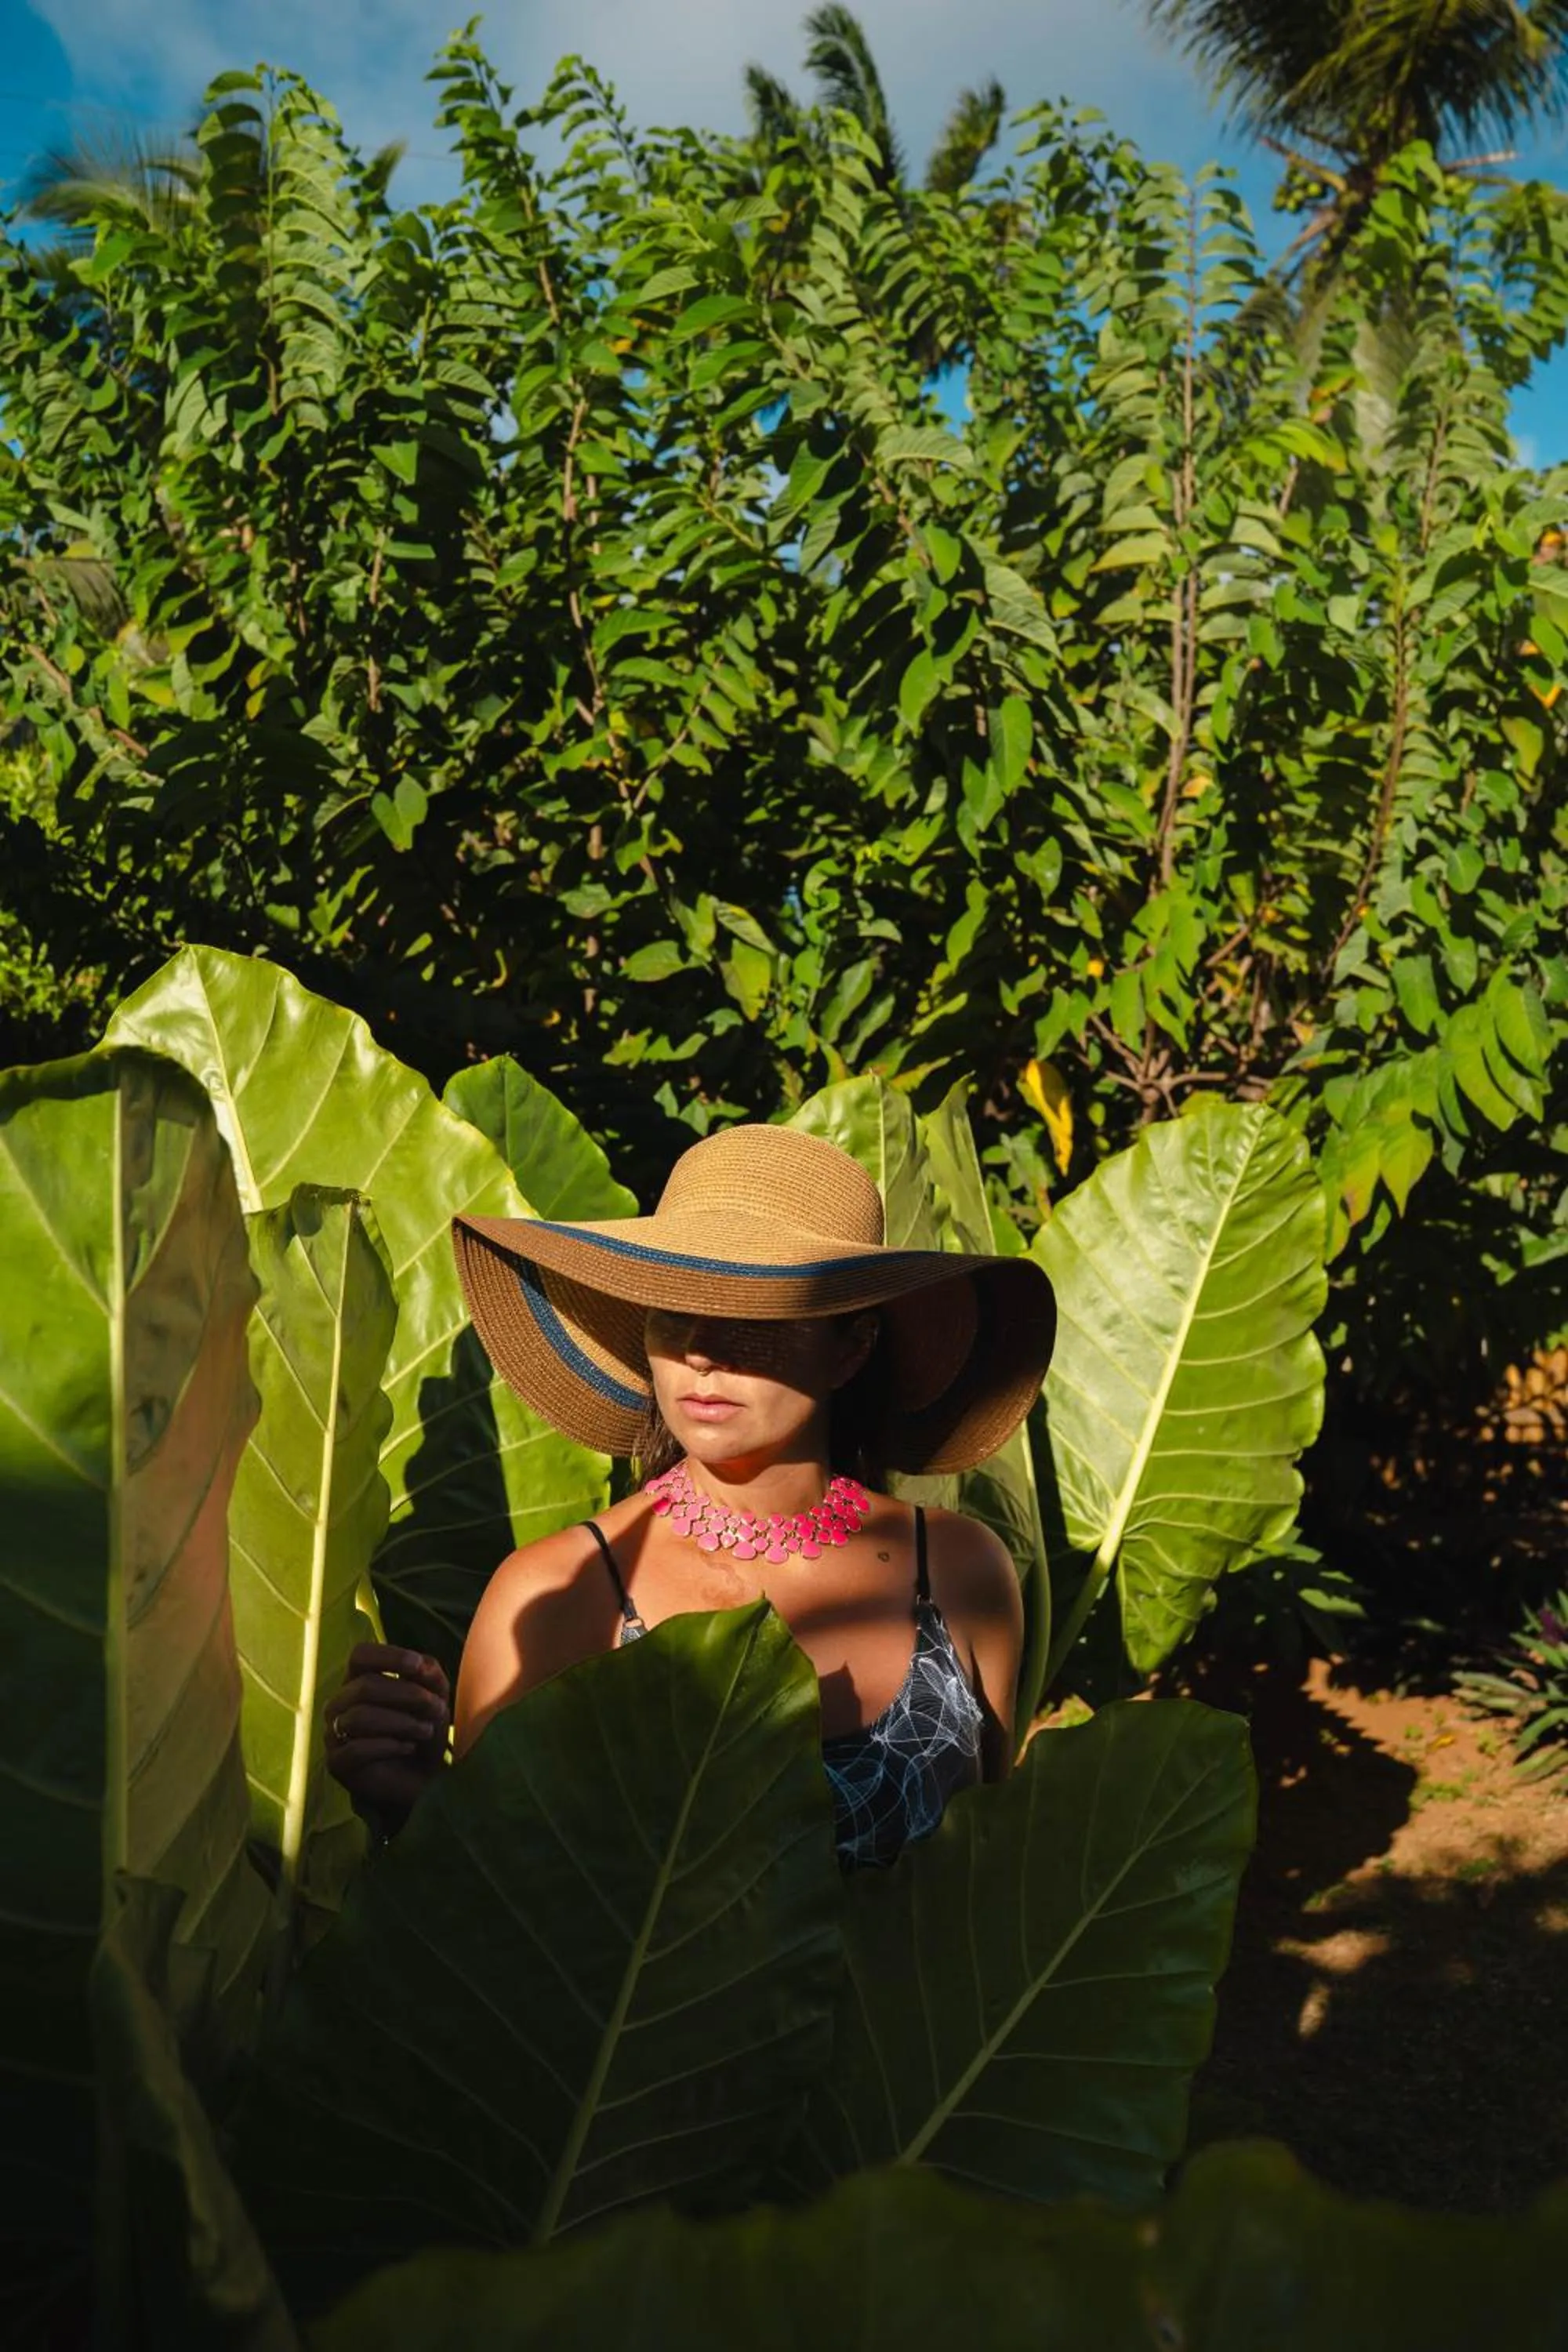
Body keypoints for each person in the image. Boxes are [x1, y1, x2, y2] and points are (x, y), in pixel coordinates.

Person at [325, 1121, 1054, 1868]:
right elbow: (499, 1922)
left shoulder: (960, 1572)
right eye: (673, 1310)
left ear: (851, 1347)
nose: (702, 1351)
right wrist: (415, 1807)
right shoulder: (562, 1594)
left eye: (750, 1312)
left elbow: (985, 1888)